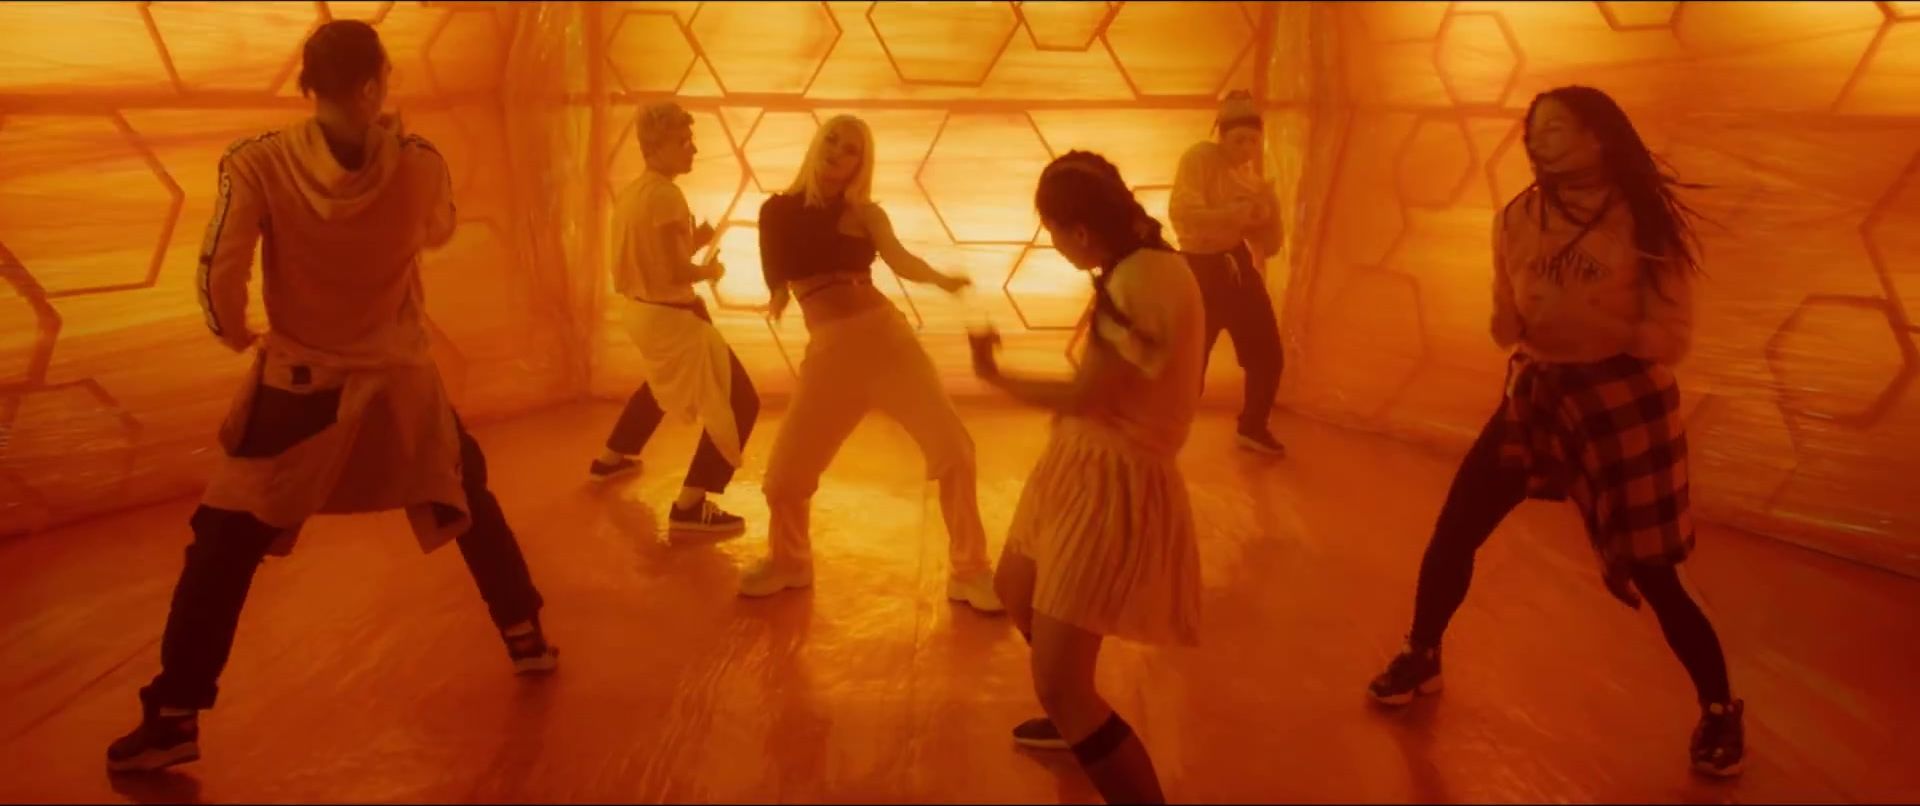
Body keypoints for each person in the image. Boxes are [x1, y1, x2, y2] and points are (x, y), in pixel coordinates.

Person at [106, 20, 556, 774]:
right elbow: (440, 228)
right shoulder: (419, 163)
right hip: (403, 381)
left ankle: (177, 712)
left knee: (223, 543)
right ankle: (525, 634)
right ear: (374, 86)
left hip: (302, 385)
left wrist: (234, 333)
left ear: (308, 84)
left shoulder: (258, 162)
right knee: (463, 491)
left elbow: (220, 271)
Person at [1364, 85, 1745, 778]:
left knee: (1656, 570)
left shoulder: (1640, 220)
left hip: (1619, 401)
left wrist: (1607, 341)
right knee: (1456, 529)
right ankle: (1422, 653)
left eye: (1558, 129)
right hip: (1537, 394)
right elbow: (1505, 308)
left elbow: (1671, 330)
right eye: (1535, 130)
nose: (1540, 141)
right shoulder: (1517, 217)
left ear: (1600, 137)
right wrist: (1517, 324)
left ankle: (1720, 707)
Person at [971, 150, 1206, 804]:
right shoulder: (1134, 267)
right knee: (1016, 588)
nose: (1051, 242)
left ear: (1078, 231)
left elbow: (1085, 395)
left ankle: (1075, 710)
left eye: (1050, 229)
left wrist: (993, 375)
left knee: (1060, 682)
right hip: (1079, 465)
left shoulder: (1144, 281)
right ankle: (1074, 717)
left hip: (1112, 482)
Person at [740, 114, 1001, 613]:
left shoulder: (865, 213)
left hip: (888, 343)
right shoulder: (776, 211)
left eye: (851, 149)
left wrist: (943, 280)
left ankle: (971, 571)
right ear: (817, 142)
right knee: (784, 480)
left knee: (954, 451)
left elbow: (900, 260)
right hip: (831, 354)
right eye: (832, 140)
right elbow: (774, 267)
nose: (837, 152)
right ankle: (790, 561)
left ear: (861, 164)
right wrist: (776, 296)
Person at [588, 101, 759, 534]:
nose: (693, 149)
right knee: (738, 400)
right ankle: (691, 504)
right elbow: (676, 272)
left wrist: (693, 242)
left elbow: (652, 259)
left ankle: (610, 459)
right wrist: (710, 270)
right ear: (657, 147)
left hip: (643, 313)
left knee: (660, 383)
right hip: (672, 317)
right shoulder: (666, 196)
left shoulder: (633, 194)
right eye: (683, 142)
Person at [1169, 89, 1287, 456]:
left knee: (1267, 353)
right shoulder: (1199, 158)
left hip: (1235, 266)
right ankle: (1162, 430)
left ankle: (1253, 426)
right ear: (1222, 136)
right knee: (1190, 362)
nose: (1247, 148)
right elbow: (1183, 214)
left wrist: (1269, 214)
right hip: (1199, 269)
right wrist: (1232, 216)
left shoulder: (1249, 178)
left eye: (1253, 141)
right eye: (1239, 140)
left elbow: (1268, 245)